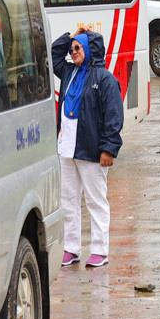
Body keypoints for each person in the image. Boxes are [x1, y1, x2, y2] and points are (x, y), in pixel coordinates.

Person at [51, 28, 124, 269]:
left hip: (91, 151)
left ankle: (100, 250)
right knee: (68, 200)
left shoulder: (104, 78)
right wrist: (70, 35)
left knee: (95, 201)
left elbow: (114, 116)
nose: (72, 53)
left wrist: (109, 149)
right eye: (71, 49)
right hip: (67, 149)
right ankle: (71, 248)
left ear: (89, 49)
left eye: (77, 48)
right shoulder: (69, 71)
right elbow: (54, 55)